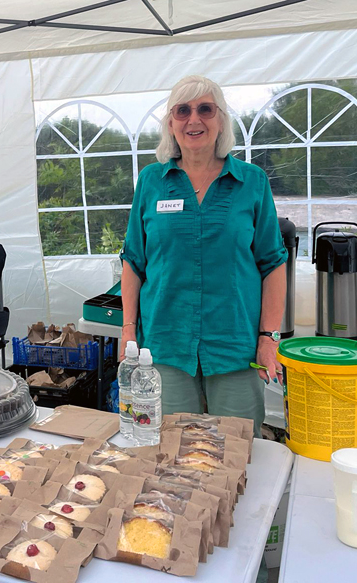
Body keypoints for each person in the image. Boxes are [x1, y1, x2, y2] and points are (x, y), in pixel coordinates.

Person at [119, 75, 287, 436]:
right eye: (183, 111)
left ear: (221, 120)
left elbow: (273, 263)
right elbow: (133, 260)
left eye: (205, 109)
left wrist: (269, 338)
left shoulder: (252, 182)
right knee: (172, 453)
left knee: (237, 451)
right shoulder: (151, 181)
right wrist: (128, 331)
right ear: (171, 123)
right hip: (165, 344)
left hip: (234, 346)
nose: (193, 120)